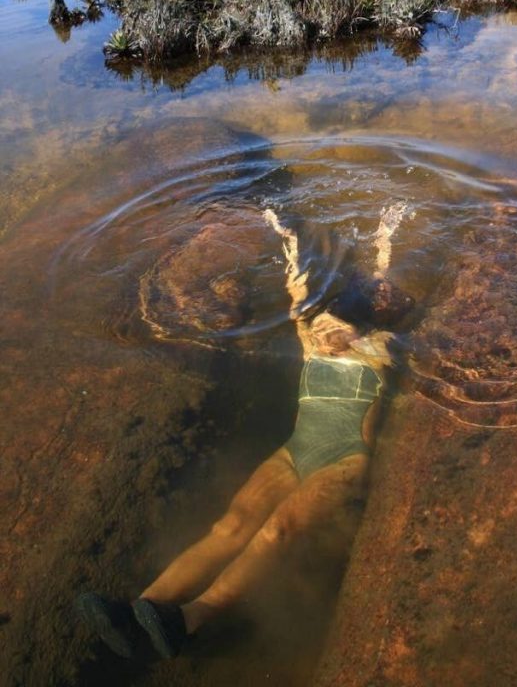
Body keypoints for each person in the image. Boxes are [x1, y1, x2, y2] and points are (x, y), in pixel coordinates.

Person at [77, 203, 411, 660]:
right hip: (296, 450)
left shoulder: (378, 349)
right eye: (322, 324)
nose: (324, 333)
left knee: (276, 531)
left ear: (357, 329)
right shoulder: (310, 335)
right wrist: (286, 236)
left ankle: (190, 619)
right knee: (230, 525)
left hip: (345, 459)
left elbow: (380, 288)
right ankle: (140, 610)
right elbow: (300, 290)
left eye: (335, 328)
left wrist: (387, 235)